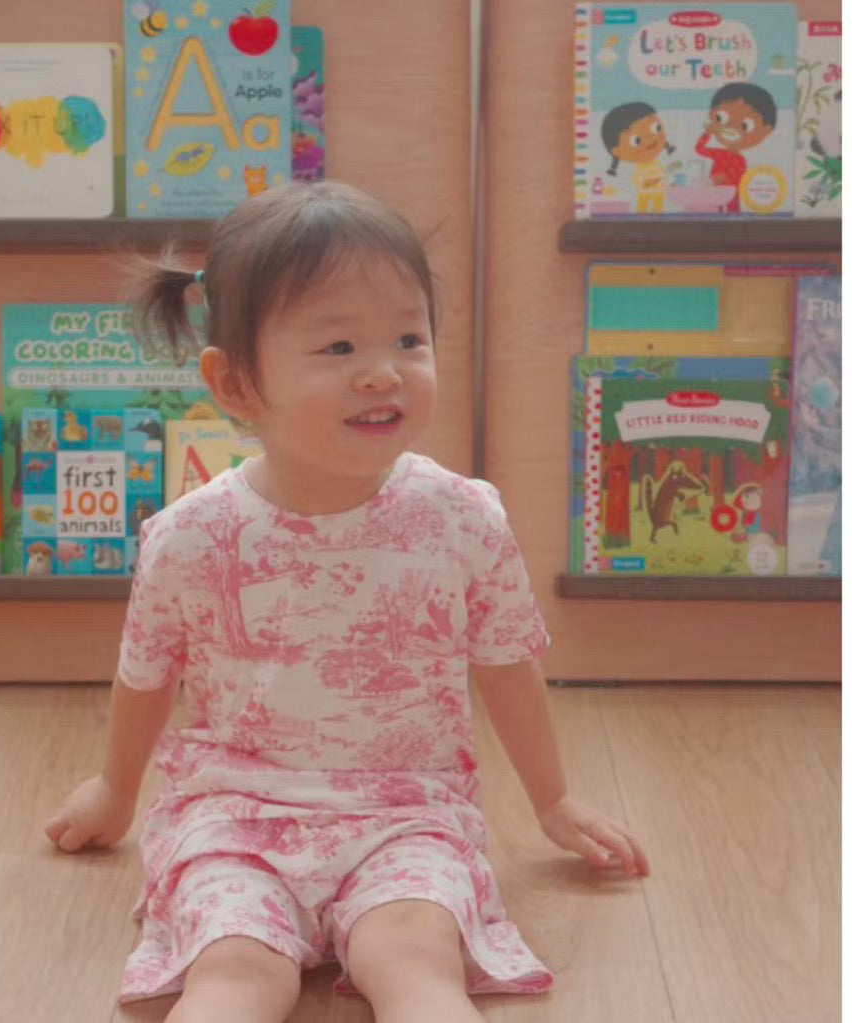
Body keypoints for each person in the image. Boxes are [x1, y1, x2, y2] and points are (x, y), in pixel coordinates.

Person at [45, 180, 649, 1023]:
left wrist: (552, 800)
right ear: (236, 385)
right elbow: (147, 670)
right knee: (233, 969)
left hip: (404, 812)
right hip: (235, 815)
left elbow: (505, 660)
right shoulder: (190, 535)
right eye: (336, 348)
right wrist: (114, 790)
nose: (381, 372)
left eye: (409, 337)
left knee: (414, 958)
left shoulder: (460, 518)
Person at [695, 82, 778, 213]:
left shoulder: (740, 160)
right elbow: (699, 149)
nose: (731, 127)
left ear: (766, 131)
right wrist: (708, 133)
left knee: (733, 211)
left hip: (731, 193)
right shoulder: (720, 154)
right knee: (715, 212)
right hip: (715, 193)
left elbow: (739, 179)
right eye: (720, 118)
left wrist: (723, 179)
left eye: (745, 126)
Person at [601, 100, 677, 212]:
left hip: (660, 194)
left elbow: (662, 173)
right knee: (643, 209)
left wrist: (668, 178)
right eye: (636, 140)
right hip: (645, 196)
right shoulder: (639, 171)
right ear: (616, 151)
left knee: (659, 208)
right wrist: (659, 179)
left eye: (657, 128)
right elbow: (644, 183)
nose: (650, 139)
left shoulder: (656, 164)